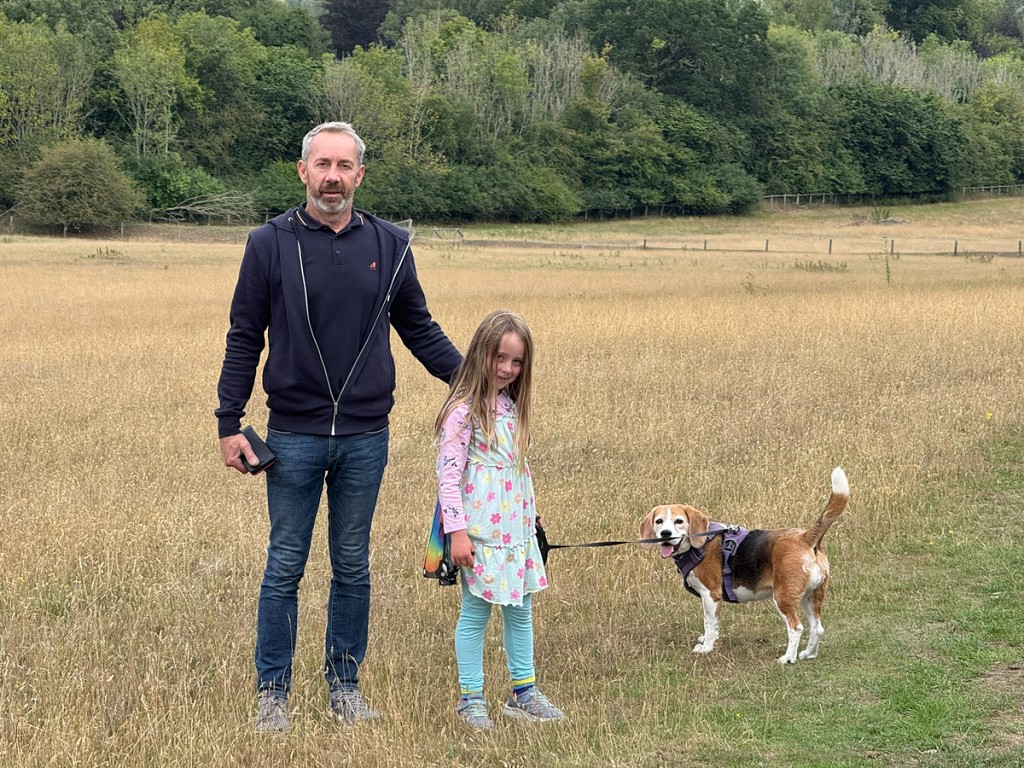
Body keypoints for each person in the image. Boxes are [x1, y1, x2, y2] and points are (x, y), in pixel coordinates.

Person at [215, 121, 462, 733]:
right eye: (322, 164)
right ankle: (272, 693)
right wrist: (229, 420)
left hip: (365, 437)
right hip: (292, 436)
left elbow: (419, 328)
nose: (333, 177)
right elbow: (245, 335)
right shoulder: (267, 244)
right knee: (284, 565)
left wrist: (474, 383)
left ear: (360, 175)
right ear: (303, 171)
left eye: (344, 166)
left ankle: (344, 687)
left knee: (352, 563)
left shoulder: (392, 244)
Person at [434, 309, 565, 729]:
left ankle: (523, 693)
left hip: (516, 533)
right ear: (481, 353)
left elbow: (515, 469)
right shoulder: (463, 412)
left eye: (517, 361)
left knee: (521, 611)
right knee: (475, 614)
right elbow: (448, 479)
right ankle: (471, 698)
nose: (507, 369)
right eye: (500, 358)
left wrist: (531, 515)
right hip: (481, 535)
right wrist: (457, 533)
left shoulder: (511, 406)